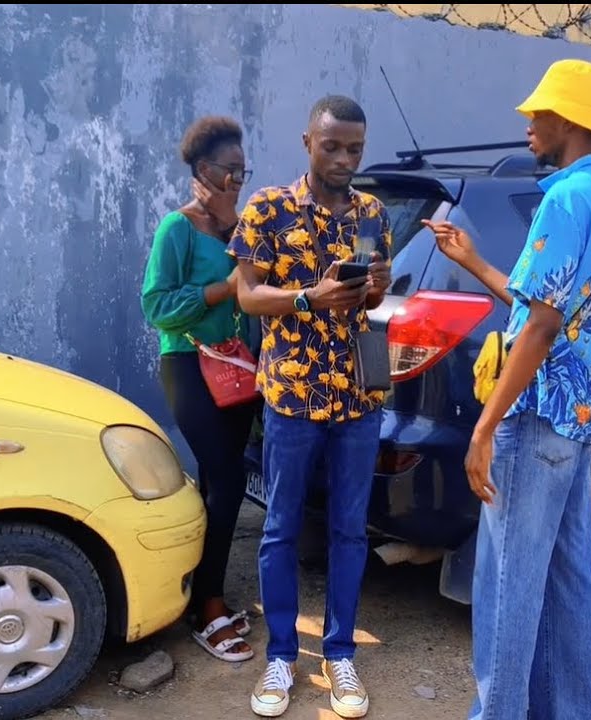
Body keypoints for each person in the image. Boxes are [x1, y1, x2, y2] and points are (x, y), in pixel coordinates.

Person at [422, 59, 591, 720]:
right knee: (570, 577)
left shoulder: (565, 198)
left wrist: (485, 427)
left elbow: (540, 326)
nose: (527, 122)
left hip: (537, 417)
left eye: (538, 112)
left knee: (507, 586)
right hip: (576, 418)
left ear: (567, 120)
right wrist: (474, 261)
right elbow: (547, 308)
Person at [227, 94, 392, 719]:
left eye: (354, 148)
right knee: (280, 529)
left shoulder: (373, 211)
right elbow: (247, 297)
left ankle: (340, 653)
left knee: (351, 530)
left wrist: (374, 289)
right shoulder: (268, 208)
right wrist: (308, 299)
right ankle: (280, 656)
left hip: (357, 396)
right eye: (333, 146)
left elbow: (374, 298)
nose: (345, 158)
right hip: (293, 397)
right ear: (308, 142)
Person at [140, 114, 261, 664]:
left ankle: (197, 594)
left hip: (235, 367)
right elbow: (156, 306)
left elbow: (257, 283)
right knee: (231, 478)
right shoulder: (177, 228)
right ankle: (208, 605)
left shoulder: (238, 230)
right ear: (201, 170)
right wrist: (220, 290)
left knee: (218, 479)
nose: (238, 178)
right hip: (188, 363)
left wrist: (234, 223)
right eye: (230, 171)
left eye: (243, 170)